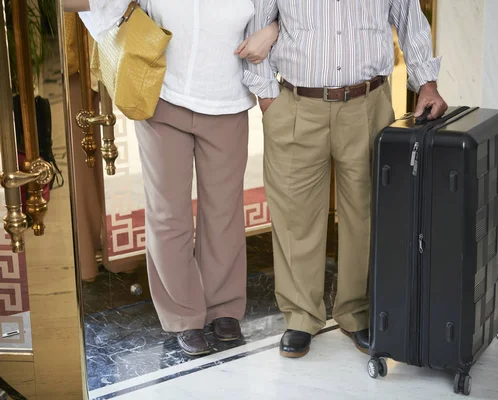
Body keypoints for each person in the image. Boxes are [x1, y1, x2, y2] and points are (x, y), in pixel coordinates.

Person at [71, 0, 279, 356]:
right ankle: (183, 316)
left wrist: (272, 31)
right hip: (162, 98)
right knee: (168, 213)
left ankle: (224, 308)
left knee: (224, 213)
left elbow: (288, 14)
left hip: (227, 100)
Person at [244, 0, 448, 358]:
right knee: (295, 214)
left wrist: (427, 83)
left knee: (366, 214)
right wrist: (267, 101)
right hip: (296, 104)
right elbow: (258, 23)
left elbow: (410, 21)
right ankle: (301, 317)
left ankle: (357, 312)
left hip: (367, 103)